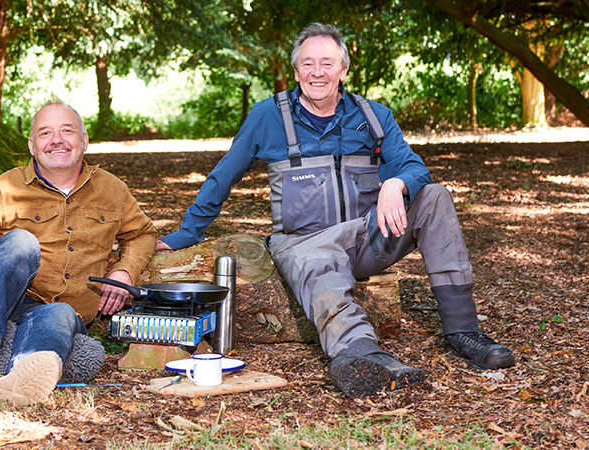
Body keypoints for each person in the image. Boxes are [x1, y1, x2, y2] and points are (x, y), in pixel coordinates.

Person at [156, 23, 515, 397]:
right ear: (296, 72)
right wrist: (187, 233)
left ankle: (463, 332)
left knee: (436, 196)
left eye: (327, 63)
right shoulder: (267, 117)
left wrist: (397, 183)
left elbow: (415, 167)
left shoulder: (373, 117)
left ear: (343, 70)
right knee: (320, 261)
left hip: (364, 237)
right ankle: (361, 353)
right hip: (302, 243)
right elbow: (222, 177)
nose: (317, 72)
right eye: (308, 64)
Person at [0, 101, 157, 406]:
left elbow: (142, 233)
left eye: (66, 131)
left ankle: (20, 377)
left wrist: (125, 270)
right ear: (32, 146)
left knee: (62, 311)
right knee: (21, 242)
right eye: (45, 133)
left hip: (55, 314)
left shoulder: (112, 190)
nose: (56, 140)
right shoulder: (3, 188)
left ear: (84, 141)